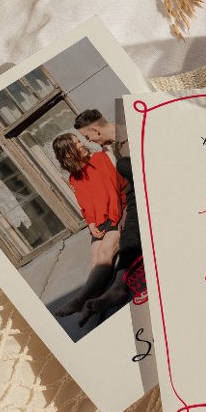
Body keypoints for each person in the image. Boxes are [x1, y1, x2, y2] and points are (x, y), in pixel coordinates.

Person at [74, 110, 143, 325]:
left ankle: (110, 290)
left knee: (125, 241)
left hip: (149, 192)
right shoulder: (109, 150)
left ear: (95, 130)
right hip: (132, 200)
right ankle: (115, 289)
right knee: (126, 242)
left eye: (87, 137)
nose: (90, 142)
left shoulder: (135, 132)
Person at [51, 133, 127, 318]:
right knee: (95, 259)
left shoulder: (100, 159)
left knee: (105, 254)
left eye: (79, 141)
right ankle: (90, 305)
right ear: (67, 154)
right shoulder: (74, 178)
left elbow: (113, 191)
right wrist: (91, 223)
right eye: (76, 144)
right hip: (100, 221)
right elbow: (85, 204)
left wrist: (117, 221)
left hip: (118, 212)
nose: (82, 144)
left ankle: (80, 300)